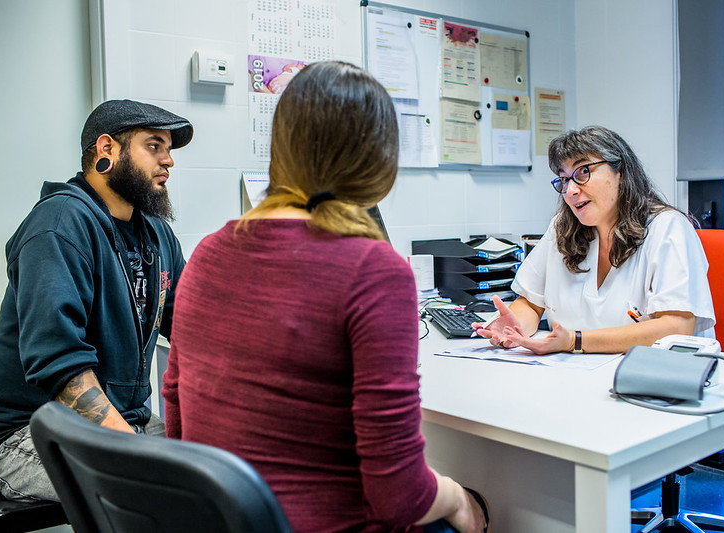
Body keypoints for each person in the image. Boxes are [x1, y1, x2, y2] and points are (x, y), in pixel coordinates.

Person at [162, 61, 489, 533]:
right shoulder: (374, 270)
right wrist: (461, 500)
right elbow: (400, 496)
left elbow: (177, 415)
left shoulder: (207, 254)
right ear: (378, 159)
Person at [0, 99, 192, 501]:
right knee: (158, 493)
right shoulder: (58, 226)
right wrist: (133, 452)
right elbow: (59, 363)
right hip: (27, 433)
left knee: (225, 469)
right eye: (154, 146)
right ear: (107, 150)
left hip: (125, 422)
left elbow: (190, 325)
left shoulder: (156, 233)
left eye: (169, 149)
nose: (169, 160)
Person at [475, 125, 715, 354]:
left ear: (620, 172)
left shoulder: (667, 227)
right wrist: (512, 328)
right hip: (578, 378)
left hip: (656, 382)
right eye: (565, 179)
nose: (570, 190)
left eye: (583, 172)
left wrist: (575, 341)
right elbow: (530, 303)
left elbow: (677, 327)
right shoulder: (563, 228)